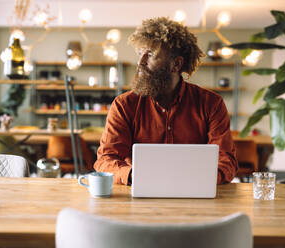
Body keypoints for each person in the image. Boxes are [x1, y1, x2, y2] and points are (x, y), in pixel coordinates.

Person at [94, 17, 238, 185]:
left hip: (194, 192)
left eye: (151, 55)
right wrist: (134, 175)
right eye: (140, 54)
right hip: (140, 190)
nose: (141, 63)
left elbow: (226, 160)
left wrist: (202, 178)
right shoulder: (124, 105)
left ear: (176, 64)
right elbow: (106, 159)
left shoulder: (211, 103)